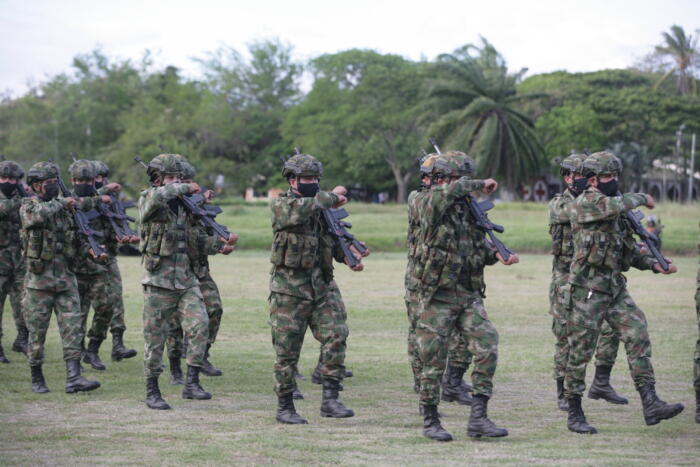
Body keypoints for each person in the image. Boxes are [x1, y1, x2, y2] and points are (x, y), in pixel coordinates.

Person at [564, 151, 683, 434]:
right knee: (580, 352)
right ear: (592, 180)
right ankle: (574, 411)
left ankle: (650, 401)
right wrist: (642, 197)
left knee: (637, 332)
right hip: (587, 291)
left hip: (614, 288)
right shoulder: (586, 204)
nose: (613, 181)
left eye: (616, 176)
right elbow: (612, 204)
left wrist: (655, 264)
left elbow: (628, 254)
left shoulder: (618, 213)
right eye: (608, 176)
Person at [414, 152, 516, 441]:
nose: (461, 184)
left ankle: (479, 418)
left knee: (487, 346)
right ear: (439, 180)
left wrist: (497, 254)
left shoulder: (466, 210)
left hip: (467, 293)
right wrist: (478, 183)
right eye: (455, 178)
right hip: (437, 295)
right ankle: (431, 420)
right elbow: (448, 193)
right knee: (432, 359)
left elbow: (475, 251)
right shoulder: (423, 201)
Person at [269, 153, 367, 424]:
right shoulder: (282, 204)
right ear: (292, 180)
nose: (312, 182)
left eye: (315, 178)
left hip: (323, 285)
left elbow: (330, 241)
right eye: (306, 178)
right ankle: (285, 406)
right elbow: (309, 207)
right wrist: (333, 196)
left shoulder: (322, 210)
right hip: (289, 290)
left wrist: (350, 255)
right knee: (287, 350)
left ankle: (331, 399)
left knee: (337, 335)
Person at [138, 153, 234, 409]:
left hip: (187, 281)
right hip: (158, 282)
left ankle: (191, 383)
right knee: (155, 339)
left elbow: (197, 241)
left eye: (179, 177)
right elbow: (159, 196)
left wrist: (219, 246)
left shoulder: (185, 208)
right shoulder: (149, 199)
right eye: (170, 177)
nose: (177, 182)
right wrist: (184, 187)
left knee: (200, 325)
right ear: (157, 179)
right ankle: (153, 390)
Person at [548, 154, 627, 412]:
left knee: (611, 330)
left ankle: (601, 382)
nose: (578, 179)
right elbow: (573, 213)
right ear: (567, 178)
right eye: (574, 175)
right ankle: (563, 390)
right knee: (566, 336)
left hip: (595, 277)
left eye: (583, 175)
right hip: (565, 279)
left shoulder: (600, 201)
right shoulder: (561, 203)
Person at [20, 161, 101, 393]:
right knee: (37, 333)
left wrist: (91, 249)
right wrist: (61, 202)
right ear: (35, 186)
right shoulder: (28, 205)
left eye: (56, 183)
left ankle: (74, 378)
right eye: (49, 184)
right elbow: (34, 218)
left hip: (66, 281)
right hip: (39, 284)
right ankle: (37, 378)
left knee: (73, 329)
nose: (54, 187)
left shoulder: (65, 210)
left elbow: (76, 238)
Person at [166, 160, 236, 385]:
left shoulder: (197, 208)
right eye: (183, 182)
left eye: (189, 182)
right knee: (174, 323)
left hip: (199, 269)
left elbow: (203, 237)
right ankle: (176, 367)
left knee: (214, 309)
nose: (187, 187)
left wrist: (220, 244)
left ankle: (202, 355)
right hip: (174, 272)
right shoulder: (167, 208)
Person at [67, 159, 119, 371]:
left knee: (106, 307)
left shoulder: (102, 200)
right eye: (80, 180)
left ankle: (93, 349)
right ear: (73, 180)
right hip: (74, 268)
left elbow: (109, 228)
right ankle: (77, 354)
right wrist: (100, 196)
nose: (85, 183)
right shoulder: (66, 199)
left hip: (98, 266)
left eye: (88, 180)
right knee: (77, 315)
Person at [92, 160, 139, 362]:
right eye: (95, 178)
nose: (99, 181)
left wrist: (125, 235)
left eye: (102, 178)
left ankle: (118, 344)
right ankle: (86, 350)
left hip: (108, 258)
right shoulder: (78, 198)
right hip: (86, 260)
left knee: (115, 301)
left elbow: (117, 224)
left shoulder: (112, 200)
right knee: (89, 307)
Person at [0, 159, 29, 363]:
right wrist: (25, 198)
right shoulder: (19, 200)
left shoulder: (24, 197)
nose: (9, 182)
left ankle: (22, 338)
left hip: (19, 260)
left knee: (23, 303)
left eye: (14, 179)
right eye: (5, 178)